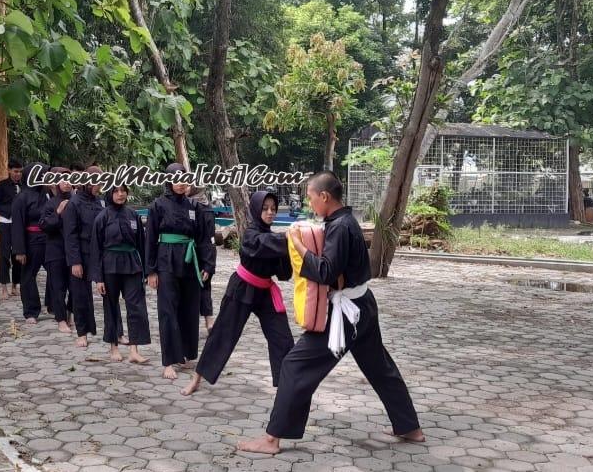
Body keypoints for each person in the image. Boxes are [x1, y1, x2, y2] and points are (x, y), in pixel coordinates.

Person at [238, 171, 424, 455]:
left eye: (311, 198)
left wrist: (299, 246)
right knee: (379, 367)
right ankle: (410, 427)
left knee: (294, 366)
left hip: (344, 313)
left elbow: (325, 271)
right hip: (363, 306)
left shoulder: (339, 227)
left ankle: (272, 439)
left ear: (324, 196)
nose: (310, 204)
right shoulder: (344, 222)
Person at [182, 190, 294, 396]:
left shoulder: (276, 239)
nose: (270, 213)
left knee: (283, 338)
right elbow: (260, 245)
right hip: (242, 288)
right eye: (265, 208)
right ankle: (196, 378)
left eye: (273, 209)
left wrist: (289, 250)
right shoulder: (251, 234)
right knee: (222, 334)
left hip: (266, 292)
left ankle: (288, 386)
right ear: (255, 210)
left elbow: (284, 274)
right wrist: (287, 239)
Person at [145, 162, 213, 380]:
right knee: (168, 310)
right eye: (177, 179)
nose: (182, 183)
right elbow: (150, 240)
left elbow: (203, 238)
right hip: (166, 261)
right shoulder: (158, 205)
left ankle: (186, 352)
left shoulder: (194, 207)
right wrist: (151, 271)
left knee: (189, 308)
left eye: (184, 179)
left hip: (189, 261)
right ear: (169, 181)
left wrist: (207, 265)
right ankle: (168, 361)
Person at [90, 184, 151, 363]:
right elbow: (96, 249)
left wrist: (148, 271)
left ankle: (134, 350)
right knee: (111, 305)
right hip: (109, 265)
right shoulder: (102, 217)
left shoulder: (133, 215)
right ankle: (113, 346)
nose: (120, 194)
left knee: (136, 306)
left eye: (123, 191)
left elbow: (142, 244)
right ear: (110, 193)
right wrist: (98, 278)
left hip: (132, 265)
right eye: (116, 191)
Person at [63, 165, 103, 347]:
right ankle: (82, 332)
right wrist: (75, 261)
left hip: (100, 253)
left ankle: (116, 333)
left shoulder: (100, 202)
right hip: (81, 253)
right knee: (80, 294)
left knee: (110, 293)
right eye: (96, 182)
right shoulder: (74, 203)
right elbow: (70, 235)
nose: (99, 186)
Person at [11, 162, 51, 324]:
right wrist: (20, 250)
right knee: (28, 276)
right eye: (42, 175)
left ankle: (54, 305)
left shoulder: (48, 194)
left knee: (56, 274)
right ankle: (31, 311)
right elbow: (17, 225)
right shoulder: (22, 198)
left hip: (49, 241)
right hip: (31, 242)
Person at [40, 167, 74, 333]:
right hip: (55, 251)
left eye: (70, 180)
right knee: (58, 287)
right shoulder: (51, 203)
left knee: (75, 287)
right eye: (63, 180)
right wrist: (58, 213)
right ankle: (60, 319)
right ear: (57, 183)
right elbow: (44, 226)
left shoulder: (78, 201)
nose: (67, 184)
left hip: (74, 252)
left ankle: (70, 314)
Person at [0, 160, 23, 300]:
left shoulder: (25, 186)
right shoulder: (1, 186)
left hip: (20, 226)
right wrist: (10, 212)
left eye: (20, 171)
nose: (18, 174)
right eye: (15, 171)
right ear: (9, 170)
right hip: (6, 224)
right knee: (4, 256)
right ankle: (3, 287)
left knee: (18, 256)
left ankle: (16, 286)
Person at [188, 186, 217, 332]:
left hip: (202, 252)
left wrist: (209, 262)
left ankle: (209, 322)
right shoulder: (182, 204)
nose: (184, 187)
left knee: (204, 285)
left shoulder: (204, 208)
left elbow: (210, 237)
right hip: (188, 252)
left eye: (188, 185)